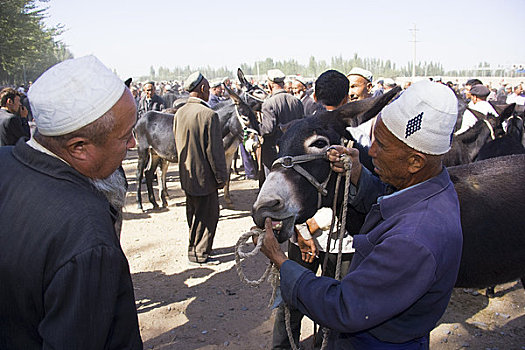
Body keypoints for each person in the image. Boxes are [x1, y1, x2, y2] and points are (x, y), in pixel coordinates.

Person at [258, 80, 463, 349]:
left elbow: (345, 307)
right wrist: (357, 174)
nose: (370, 151)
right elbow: (388, 203)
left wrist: (282, 262)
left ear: (415, 161)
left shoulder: (414, 239)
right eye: (374, 139)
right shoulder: (427, 187)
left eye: (382, 146)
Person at [0, 55, 142, 349]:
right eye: (126, 136)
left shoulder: (5, 163)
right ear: (79, 148)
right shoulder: (86, 234)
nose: (133, 144)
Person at [271, 69, 355, 350]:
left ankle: (283, 347)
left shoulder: (298, 130)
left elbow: (290, 187)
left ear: (315, 95)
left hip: (304, 233)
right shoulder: (355, 137)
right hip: (340, 240)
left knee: (292, 293)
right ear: (348, 97)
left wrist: (301, 230)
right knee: (333, 301)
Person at [173, 72, 227, 265]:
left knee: (193, 214)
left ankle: (194, 250)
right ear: (203, 89)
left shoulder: (180, 112)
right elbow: (214, 152)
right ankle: (201, 254)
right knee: (208, 216)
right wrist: (221, 178)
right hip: (205, 178)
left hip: (187, 175)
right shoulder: (208, 115)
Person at [260, 68, 304, 178]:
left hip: (274, 154)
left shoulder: (268, 104)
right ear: (283, 83)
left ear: (270, 85)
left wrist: (257, 128)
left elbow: (268, 130)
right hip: (294, 151)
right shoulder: (296, 101)